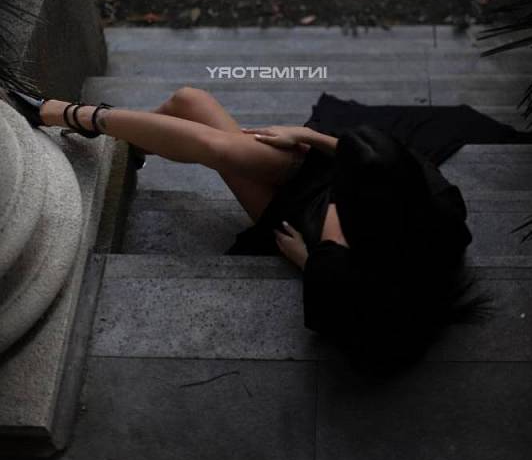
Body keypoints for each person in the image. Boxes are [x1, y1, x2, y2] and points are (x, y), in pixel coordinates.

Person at [8, 85, 512, 370]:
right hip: (323, 183)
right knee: (191, 100)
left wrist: (309, 259)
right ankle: (114, 136)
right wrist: (310, 137)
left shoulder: (346, 270)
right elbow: (374, 159)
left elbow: (343, 324)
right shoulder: (432, 198)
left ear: (360, 212)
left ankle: (65, 116)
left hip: (292, 217)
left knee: (192, 114)